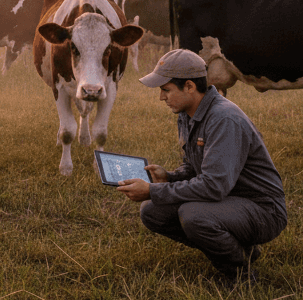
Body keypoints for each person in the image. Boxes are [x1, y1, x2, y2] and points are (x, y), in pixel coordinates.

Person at [115, 49, 287, 282]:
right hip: (228, 199)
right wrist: (170, 177)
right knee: (152, 211)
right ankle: (238, 250)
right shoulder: (187, 113)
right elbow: (196, 167)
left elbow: (213, 186)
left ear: (189, 86)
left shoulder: (223, 119)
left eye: (166, 90)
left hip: (263, 209)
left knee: (193, 215)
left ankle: (240, 274)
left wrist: (153, 190)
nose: (161, 98)